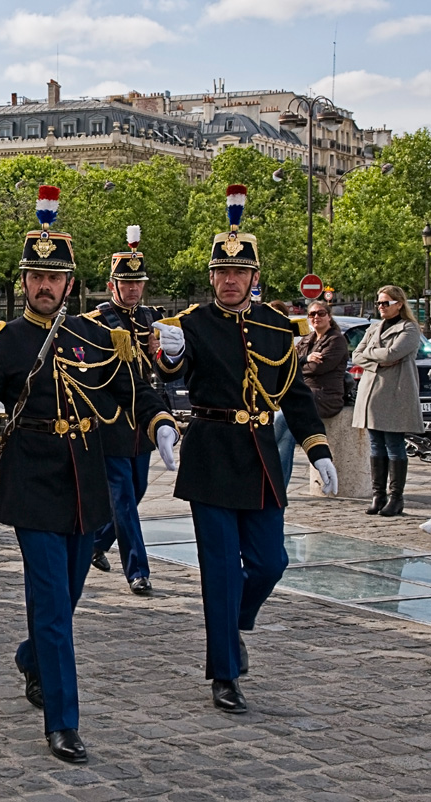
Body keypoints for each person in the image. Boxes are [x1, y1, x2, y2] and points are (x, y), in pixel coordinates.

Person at [0, 185, 178, 764]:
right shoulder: (0, 343)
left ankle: (32, 658)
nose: (44, 286)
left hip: (87, 483)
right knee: (53, 604)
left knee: (68, 598)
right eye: (35, 276)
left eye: (54, 278)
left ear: (71, 284)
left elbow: (137, 389)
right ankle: (63, 721)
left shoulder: (100, 337)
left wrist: (159, 423)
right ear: (23, 280)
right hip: (32, 487)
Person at [153, 184, 338, 715]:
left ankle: (235, 623)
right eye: (221, 272)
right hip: (211, 453)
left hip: (259, 456)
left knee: (269, 563)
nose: (229, 280)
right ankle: (224, 672)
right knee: (218, 570)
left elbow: (294, 394)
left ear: (255, 278)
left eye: (239, 273)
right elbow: (170, 370)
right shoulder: (189, 323)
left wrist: (317, 449)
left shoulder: (279, 327)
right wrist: (167, 356)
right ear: (212, 277)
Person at [88, 226, 167, 595]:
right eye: (126, 283)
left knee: (136, 491)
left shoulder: (149, 316)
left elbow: (158, 369)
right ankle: (138, 569)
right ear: (112, 285)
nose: (133, 289)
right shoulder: (98, 320)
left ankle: (96, 542)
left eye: (138, 283)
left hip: (142, 418)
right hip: (113, 419)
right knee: (122, 495)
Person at [352, 285, 422, 517]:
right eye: (379, 303)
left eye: (386, 303)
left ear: (399, 304)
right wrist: (378, 361)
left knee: (394, 444)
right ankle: (378, 495)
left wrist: (373, 355)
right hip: (371, 394)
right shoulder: (374, 327)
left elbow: (394, 353)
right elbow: (356, 354)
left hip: (394, 394)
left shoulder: (410, 328)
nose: (381, 307)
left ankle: (396, 498)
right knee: (375, 445)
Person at [274, 300, 348, 487]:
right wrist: (306, 359)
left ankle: (278, 483)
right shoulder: (307, 338)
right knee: (286, 433)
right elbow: (288, 362)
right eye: (312, 314)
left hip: (325, 396)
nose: (316, 317)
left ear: (329, 316)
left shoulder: (336, 340)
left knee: (284, 419)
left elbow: (316, 368)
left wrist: (299, 363)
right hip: (304, 393)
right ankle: (275, 481)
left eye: (321, 313)